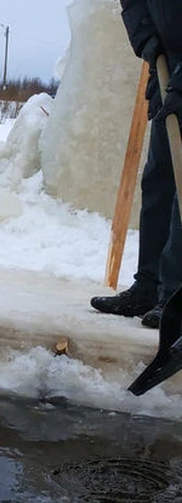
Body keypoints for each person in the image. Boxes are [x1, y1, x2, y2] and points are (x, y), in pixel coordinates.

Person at [90, 0, 182, 328]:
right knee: (159, 178)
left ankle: (175, 297)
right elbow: (134, 4)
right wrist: (147, 40)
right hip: (170, 59)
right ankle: (150, 287)